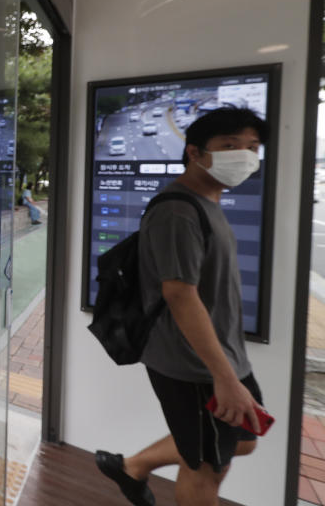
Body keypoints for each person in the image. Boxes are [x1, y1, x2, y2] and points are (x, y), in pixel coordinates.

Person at [95, 107, 268, 506]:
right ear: (195, 152)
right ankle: (134, 467)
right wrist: (223, 377)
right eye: (230, 146)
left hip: (222, 356)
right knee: (206, 466)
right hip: (195, 365)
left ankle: (132, 466)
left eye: (252, 147)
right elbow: (180, 295)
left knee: (243, 439)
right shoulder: (178, 210)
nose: (244, 155)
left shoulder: (205, 202)